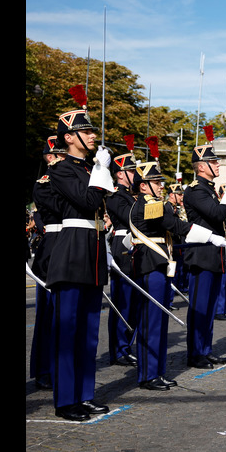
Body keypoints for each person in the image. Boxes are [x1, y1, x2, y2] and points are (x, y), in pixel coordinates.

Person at [46, 96, 116, 421]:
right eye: (85, 132)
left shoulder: (90, 169)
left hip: (94, 252)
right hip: (72, 253)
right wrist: (101, 171)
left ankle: (85, 395)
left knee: (88, 332)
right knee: (67, 331)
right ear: (68, 137)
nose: (92, 136)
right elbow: (87, 201)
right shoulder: (60, 170)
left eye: (92, 132)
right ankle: (65, 401)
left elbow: (103, 207)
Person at [129, 157, 226, 390]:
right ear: (143, 186)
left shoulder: (152, 203)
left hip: (158, 264)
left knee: (159, 322)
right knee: (151, 322)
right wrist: (209, 236)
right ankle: (148, 375)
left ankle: (156, 371)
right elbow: (175, 226)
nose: (161, 185)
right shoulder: (149, 204)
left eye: (160, 181)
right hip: (151, 265)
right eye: (155, 181)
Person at [182, 142, 226, 369]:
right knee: (200, 307)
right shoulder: (195, 190)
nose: (218, 164)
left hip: (214, 254)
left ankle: (206, 349)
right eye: (213, 161)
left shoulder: (209, 190)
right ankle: (195, 353)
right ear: (202, 167)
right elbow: (215, 214)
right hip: (202, 255)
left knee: (210, 306)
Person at [29, 136, 65, 390]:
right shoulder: (44, 185)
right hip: (53, 251)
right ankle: (44, 370)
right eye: (63, 155)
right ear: (51, 158)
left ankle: (62, 366)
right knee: (49, 316)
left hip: (75, 249)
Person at [105, 149, 141, 368]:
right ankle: (119, 349)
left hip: (136, 247)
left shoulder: (133, 195)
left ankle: (127, 345)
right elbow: (130, 218)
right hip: (123, 247)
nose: (135, 174)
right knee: (123, 302)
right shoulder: (116, 196)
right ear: (120, 174)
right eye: (130, 170)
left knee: (135, 301)